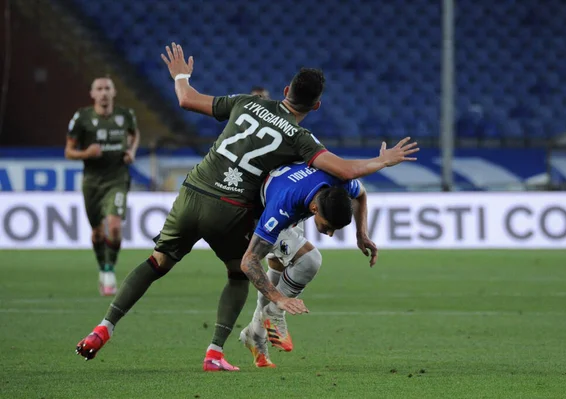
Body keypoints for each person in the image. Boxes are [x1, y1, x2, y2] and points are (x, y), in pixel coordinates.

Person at [75, 43, 419, 371]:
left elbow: (186, 99)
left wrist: (181, 76)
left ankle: (104, 327)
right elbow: (343, 171)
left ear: (285, 89)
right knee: (239, 273)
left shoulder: (244, 102)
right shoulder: (302, 140)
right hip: (230, 208)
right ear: (316, 106)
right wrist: (383, 160)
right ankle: (215, 353)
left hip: (192, 192)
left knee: (156, 262)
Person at [238, 162, 375, 368]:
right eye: (328, 227)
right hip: (261, 214)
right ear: (314, 209)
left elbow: (361, 194)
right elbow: (249, 261)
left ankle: (255, 335)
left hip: (292, 202)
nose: (329, 234)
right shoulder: (283, 207)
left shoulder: (342, 184)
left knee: (280, 267)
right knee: (309, 260)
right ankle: (272, 316)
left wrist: (361, 234)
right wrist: (279, 300)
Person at [64, 76, 140, 296]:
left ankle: (110, 269)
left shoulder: (125, 115)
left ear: (114, 92)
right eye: (99, 89)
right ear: (93, 94)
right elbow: (68, 151)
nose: (104, 92)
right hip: (92, 182)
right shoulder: (82, 118)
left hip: (117, 178)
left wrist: (131, 151)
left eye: (108, 88)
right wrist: (86, 153)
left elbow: (134, 136)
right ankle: (102, 267)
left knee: (114, 227)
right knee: (97, 233)